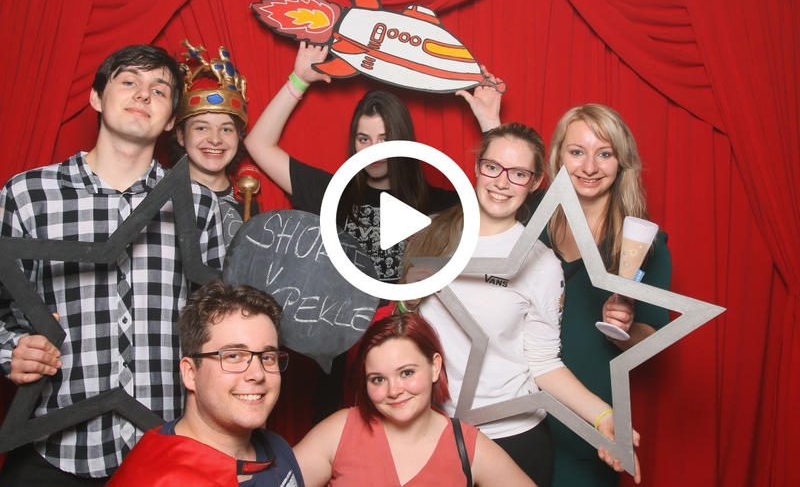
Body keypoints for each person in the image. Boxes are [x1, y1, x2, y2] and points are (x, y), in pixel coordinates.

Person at [0, 45, 226, 485]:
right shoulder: (28, 195)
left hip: (165, 452)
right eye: (129, 82)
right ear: (97, 97)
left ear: (170, 120)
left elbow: (216, 322)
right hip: (56, 447)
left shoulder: (198, 205)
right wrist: (11, 351)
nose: (143, 94)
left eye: (159, 90)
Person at [402, 123, 640, 486]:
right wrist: (407, 301)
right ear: (477, 167)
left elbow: (544, 362)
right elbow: (403, 330)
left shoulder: (541, 263)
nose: (501, 182)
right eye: (492, 167)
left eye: (518, 173)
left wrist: (603, 416)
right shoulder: (430, 233)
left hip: (511, 437)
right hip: (429, 430)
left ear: (535, 182)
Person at [244, 42, 501, 285]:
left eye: (385, 139)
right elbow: (258, 144)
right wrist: (298, 80)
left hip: (410, 315)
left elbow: (500, 203)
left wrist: (490, 122)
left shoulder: (436, 203)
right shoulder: (333, 193)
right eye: (364, 139)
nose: (374, 151)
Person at [535, 104, 671, 487]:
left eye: (605, 153)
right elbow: (497, 178)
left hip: (591, 420)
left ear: (621, 161)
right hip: (516, 411)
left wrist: (625, 328)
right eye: (577, 151)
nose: (590, 167)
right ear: (558, 156)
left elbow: (653, 338)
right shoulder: (531, 218)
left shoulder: (645, 245)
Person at [293, 312, 536, 487]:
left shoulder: (467, 446)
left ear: (434, 367)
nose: (394, 390)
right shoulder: (340, 431)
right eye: (378, 379)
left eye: (406, 373)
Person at [107, 279, 303, 487]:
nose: (257, 373)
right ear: (190, 373)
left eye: (267, 357)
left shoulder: (277, 448)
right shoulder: (156, 480)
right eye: (233, 356)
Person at [168, 39, 259, 246]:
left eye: (226, 129)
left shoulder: (250, 202)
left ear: (239, 137)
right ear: (181, 136)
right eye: (201, 128)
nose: (215, 139)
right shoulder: (161, 198)